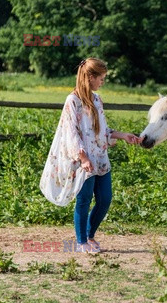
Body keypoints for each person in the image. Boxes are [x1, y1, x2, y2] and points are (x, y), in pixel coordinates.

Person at [40, 57, 142, 253]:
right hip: (83, 159)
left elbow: (101, 130)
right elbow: (71, 132)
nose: (103, 81)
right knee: (84, 199)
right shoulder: (73, 101)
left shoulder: (96, 100)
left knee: (105, 199)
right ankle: (81, 241)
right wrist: (83, 158)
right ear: (90, 77)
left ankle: (90, 234)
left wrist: (122, 136)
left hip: (100, 158)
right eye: (101, 78)